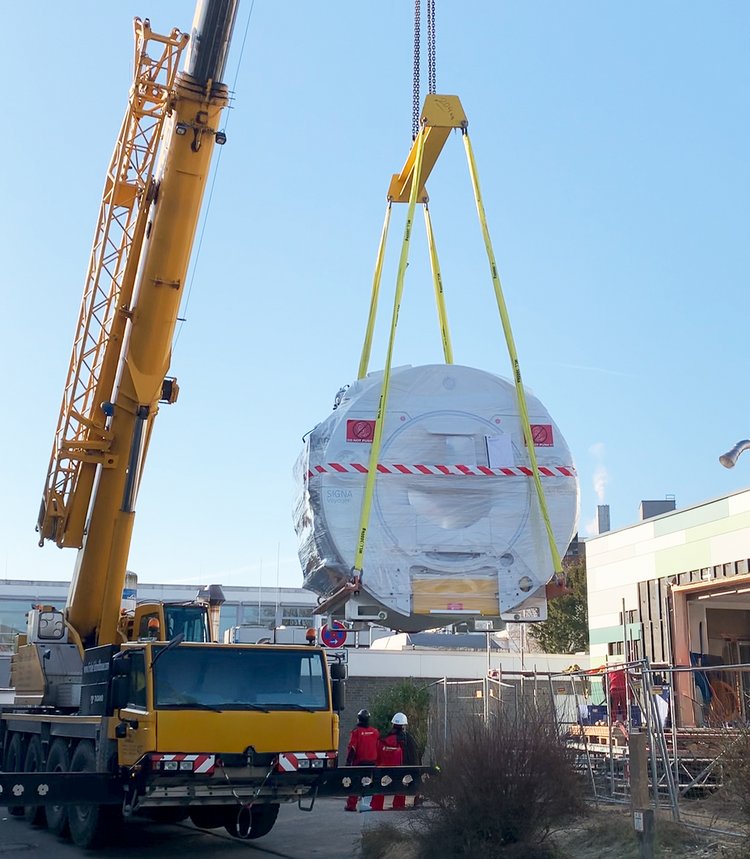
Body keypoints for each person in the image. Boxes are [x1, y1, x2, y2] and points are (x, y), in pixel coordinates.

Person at [344, 709, 379, 812]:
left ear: (358, 719)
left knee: (355, 784)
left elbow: (352, 749)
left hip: (359, 763)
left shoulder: (356, 732)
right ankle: (368, 804)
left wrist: (348, 763)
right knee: (369, 783)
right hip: (372, 762)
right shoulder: (375, 732)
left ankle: (351, 805)